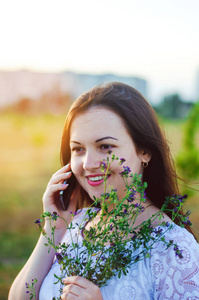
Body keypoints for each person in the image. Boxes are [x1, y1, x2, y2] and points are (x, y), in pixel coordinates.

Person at [9, 82, 199, 300]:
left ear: (144, 151)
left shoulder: (175, 249)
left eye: (105, 147)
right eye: (78, 149)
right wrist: (53, 226)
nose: (88, 163)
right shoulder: (75, 224)